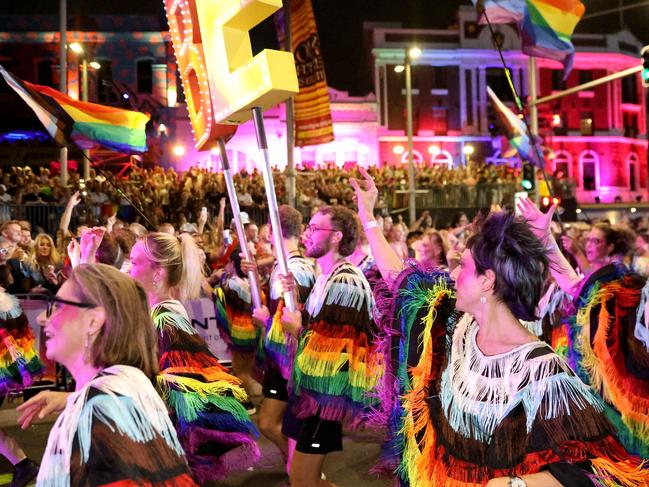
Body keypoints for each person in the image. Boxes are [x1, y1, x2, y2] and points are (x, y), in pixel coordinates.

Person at [350, 168, 648, 486]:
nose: (451, 274)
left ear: (487, 281)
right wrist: (368, 218)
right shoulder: (454, 327)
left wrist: (515, 484)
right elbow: (403, 282)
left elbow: (591, 467)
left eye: (463, 266)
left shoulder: (543, 372)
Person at [17, 264, 197, 486]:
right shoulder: (122, 391)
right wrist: (74, 399)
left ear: (94, 321)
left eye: (57, 306)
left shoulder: (102, 410)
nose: (41, 319)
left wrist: (89, 403)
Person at [519, 199, 649, 458]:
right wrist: (546, 241)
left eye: (595, 241)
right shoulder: (627, 295)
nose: (590, 246)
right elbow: (578, 290)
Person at [129, 232, 259, 482]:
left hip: (168, 441)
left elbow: (186, 386)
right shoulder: (157, 311)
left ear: (158, 273)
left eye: (134, 263)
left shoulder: (166, 318)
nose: (128, 269)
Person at [280, 205, 383, 487]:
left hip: (326, 399)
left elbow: (337, 350)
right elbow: (321, 326)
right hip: (316, 395)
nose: (307, 234)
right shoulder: (326, 277)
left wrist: (297, 329)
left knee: (302, 479)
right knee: (301, 478)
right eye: (308, 227)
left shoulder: (346, 281)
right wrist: (296, 299)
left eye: (315, 228)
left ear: (336, 236)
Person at [244, 205, 316, 472]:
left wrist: (264, 320)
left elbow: (293, 319)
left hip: (288, 358)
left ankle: (300, 468)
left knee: (270, 422)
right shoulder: (290, 265)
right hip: (285, 358)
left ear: (274, 230)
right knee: (274, 421)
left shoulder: (293, 270)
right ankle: (297, 466)